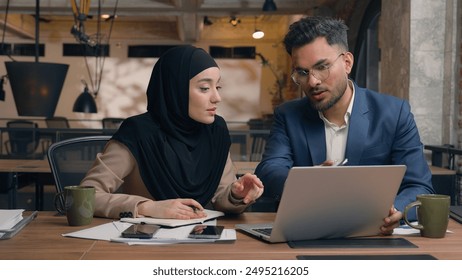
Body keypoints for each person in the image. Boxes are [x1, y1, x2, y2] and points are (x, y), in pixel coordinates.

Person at [254, 16, 434, 235]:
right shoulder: (288, 115)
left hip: (374, 237)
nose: (312, 82)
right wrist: (307, 182)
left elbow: (419, 187)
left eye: (322, 67)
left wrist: (393, 210)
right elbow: (269, 170)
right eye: (302, 72)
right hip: (306, 234)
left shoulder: (394, 113)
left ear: (347, 62)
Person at [81, 45, 264, 220]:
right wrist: (147, 207)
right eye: (205, 88)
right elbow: (86, 195)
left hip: (199, 241)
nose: (217, 98)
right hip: (144, 244)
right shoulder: (138, 132)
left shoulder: (215, 131)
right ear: (175, 89)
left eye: (218, 87)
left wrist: (235, 194)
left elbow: (221, 196)